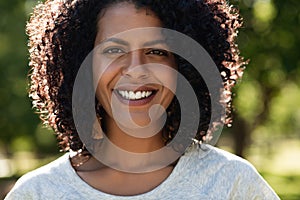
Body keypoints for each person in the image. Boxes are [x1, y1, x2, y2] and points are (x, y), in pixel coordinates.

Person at [5, 0, 280, 199]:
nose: (136, 69)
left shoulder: (233, 184)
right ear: (82, 65)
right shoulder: (38, 192)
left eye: (156, 51)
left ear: (182, 67)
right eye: (113, 50)